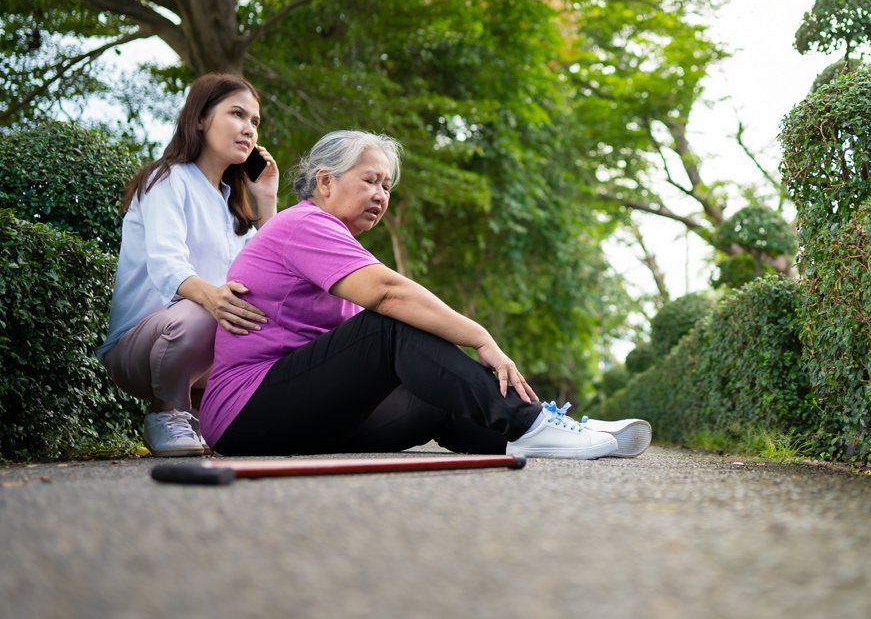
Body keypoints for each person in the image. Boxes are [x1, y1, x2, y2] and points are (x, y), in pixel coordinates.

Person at [200, 130, 648, 460]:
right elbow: (389, 297)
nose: (381, 194)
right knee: (389, 325)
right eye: (370, 180)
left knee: (433, 395)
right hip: (247, 414)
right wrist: (479, 337)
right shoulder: (304, 224)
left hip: (298, 416)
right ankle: (531, 423)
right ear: (325, 182)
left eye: (387, 187)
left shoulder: (334, 242)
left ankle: (536, 437)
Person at [98, 73, 279, 457]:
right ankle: (167, 412)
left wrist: (266, 199)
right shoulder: (166, 180)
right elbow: (167, 265)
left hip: (201, 344)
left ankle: (205, 414)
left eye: (255, 122)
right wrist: (215, 299)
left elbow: (268, 273)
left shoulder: (233, 207)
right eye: (237, 114)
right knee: (208, 309)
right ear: (200, 118)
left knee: (269, 319)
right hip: (139, 347)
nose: (248, 129)